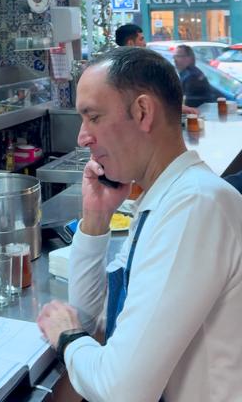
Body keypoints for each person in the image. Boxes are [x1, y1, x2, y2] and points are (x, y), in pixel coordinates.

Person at [37, 47, 242, 402]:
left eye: (94, 117)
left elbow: (121, 391)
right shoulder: (163, 199)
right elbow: (92, 321)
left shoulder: (194, 207)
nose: (82, 137)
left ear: (143, 112)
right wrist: (96, 219)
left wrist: (67, 338)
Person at [173, 44, 214, 108]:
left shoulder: (192, 77)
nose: (175, 60)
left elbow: (187, 104)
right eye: (174, 56)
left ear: (189, 58)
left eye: (178, 56)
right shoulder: (187, 73)